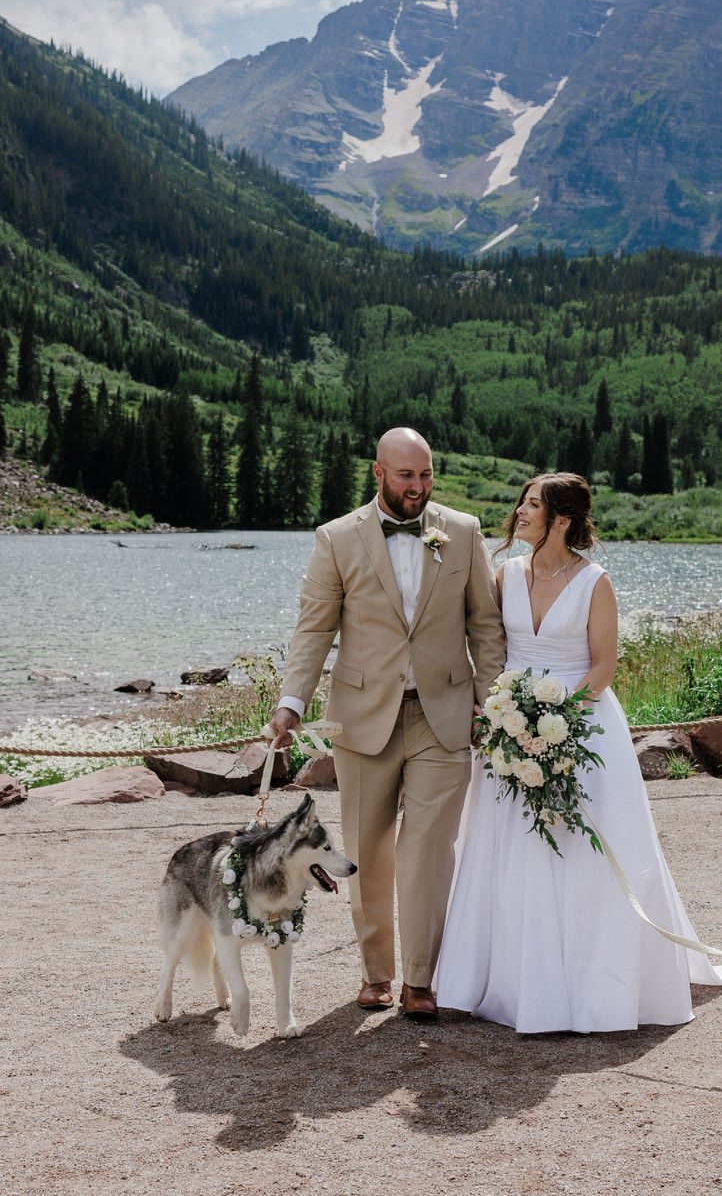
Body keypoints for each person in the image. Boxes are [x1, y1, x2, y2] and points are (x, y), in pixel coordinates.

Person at [434, 472, 722, 1032]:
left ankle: (590, 983)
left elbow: (602, 668)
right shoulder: (505, 574)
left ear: (561, 519)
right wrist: (508, 716)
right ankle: (506, 979)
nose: (520, 512)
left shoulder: (594, 582)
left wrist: (556, 720)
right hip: (511, 724)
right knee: (505, 848)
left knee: (582, 852)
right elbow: (487, 644)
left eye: (533, 505)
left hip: (581, 724)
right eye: (522, 502)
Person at [267, 428, 505, 1018]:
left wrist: (489, 701)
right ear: (379, 473)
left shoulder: (464, 531)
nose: (418, 488)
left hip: (443, 717)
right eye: (406, 476)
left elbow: (485, 627)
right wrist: (291, 702)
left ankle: (421, 979)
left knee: (428, 849)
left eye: (425, 476)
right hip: (362, 720)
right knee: (366, 851)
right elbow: (314, 630)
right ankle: (376, 973)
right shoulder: (336, 538)